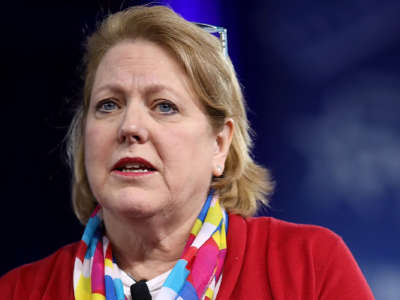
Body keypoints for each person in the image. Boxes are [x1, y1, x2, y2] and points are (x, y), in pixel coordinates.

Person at [0, 5, 375, 300]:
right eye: (109, 105)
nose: (130, 127)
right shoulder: (19, 291)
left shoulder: (308, 266)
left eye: (164, 106)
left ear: (219, 144)